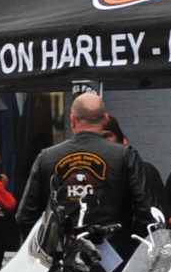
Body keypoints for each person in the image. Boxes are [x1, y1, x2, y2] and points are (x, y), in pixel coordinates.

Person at [14, 91, 154, 235]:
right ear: (105, 119)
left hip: (64, 248)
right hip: (116, 246)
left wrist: (53, 242)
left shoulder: (46, 158)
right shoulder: (125, 156)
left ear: (73, 120)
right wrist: (129, 241)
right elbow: (145, 212)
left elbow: (24, 217)